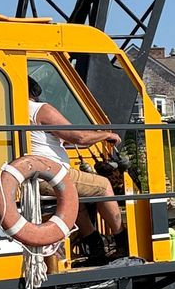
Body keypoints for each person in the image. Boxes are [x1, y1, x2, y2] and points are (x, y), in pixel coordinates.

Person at [27, 77, 124, 248]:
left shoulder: (14, 111)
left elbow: (52, 139)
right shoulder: (40, 110)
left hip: (31, 174)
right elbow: (79, 137)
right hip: (51, 174)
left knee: (76, 195)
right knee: (103, 186)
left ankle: (94, 245)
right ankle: (122, 240)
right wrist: (106, 135)